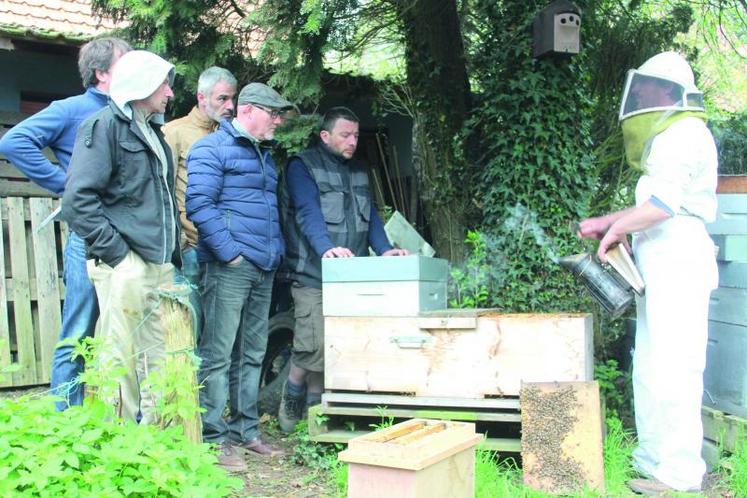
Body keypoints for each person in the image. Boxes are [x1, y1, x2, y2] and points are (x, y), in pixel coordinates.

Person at [577, 51, 717, 495]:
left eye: (648, 88)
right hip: (660, 256)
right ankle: (654, 463)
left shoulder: (685, 133)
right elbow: (650, 206)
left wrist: (615, 229)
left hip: (679, 257)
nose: (641, 96)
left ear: (666, 90)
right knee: (652, 366)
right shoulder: (672, 135)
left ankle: (679, 474)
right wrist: (608, 223)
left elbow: (663, 208)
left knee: (676, 366)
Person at [0, 37, 131, 410]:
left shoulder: (129, 113)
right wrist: (65, 183)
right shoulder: (73, 109)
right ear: (101, 73)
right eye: (124, 64)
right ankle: (66, 421)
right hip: (89, 235)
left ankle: (119, 419)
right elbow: (15, 142)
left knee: (125, 329)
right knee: (79, 327)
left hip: (128, 234)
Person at [61, 50, 181, 424]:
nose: (170, 93)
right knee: (120, 358)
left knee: (159, 358)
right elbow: (78, 200)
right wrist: (119, 257)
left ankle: (155, 444)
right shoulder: (102, 127)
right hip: (125, 264)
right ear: (140, 85)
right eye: (163, 83)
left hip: (158, 263)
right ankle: (119, 444)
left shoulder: (154, 132)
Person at [185, 82, 295, 471]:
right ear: (249, 110)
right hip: (228, 268)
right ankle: (213, 439)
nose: (279, 121)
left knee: (251, 354)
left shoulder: (264, 154)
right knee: (217, 355)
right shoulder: (210, 149)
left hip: (262, 268)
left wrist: (274, 254)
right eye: (274, 113)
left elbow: (268, 211)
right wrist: (229, 254)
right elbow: (198, 204)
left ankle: (245, 431)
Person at [278, 106, 408, 433]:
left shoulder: (360, 171)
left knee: (335, 344)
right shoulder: (302, 166)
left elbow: (372, 218)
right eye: (345, 135)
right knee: (314, 343)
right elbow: (307, 213)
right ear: (325, 136)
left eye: (355, 135)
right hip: (312, 272)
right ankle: (291, 393)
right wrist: (326, 249)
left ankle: (315, 411)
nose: (352, 141)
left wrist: (385, 249)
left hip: (351, 277)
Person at [163, 66, 237, 334]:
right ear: (201, 97)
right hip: (191, 248)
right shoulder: (174, 132)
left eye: (232, 98)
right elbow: (164, 190)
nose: (230, 106)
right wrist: (179, 242)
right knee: (188, 332)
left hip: (226, 250)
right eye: (222, 98)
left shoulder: (230, 136)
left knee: (219, 335)